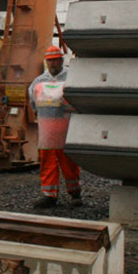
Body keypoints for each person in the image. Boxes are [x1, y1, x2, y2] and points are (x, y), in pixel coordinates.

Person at [28, 44, 82, 209]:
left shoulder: (71, 78)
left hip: (66, 130)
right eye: (50, 61)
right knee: (47, 162)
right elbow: (33, 102)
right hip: (47, 132)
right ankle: (49, 195)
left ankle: (75, 193)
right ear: (46, 62)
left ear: (61, 60)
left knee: (69, 162)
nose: (53, 64)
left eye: (55, 60)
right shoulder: (39, 81)